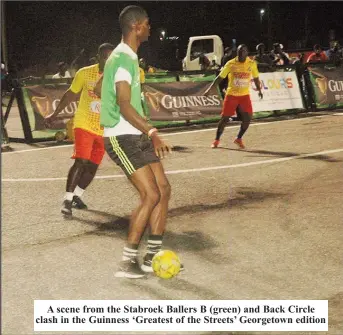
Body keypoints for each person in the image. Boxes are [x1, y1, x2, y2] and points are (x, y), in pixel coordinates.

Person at [100, 5, 179, 279]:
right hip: (121, 136)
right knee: (151, 194)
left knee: (164, 189)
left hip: (136, 133)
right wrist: (153, 131)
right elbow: (123, 105)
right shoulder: (122, 58)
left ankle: (152, 255)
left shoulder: (129, 57)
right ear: (136, 27)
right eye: (147, 24)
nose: (150, 28)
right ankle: (127, 262)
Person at [45, 43, 115, 216]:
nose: (108, 60)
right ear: (98, 57)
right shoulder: (84, 73)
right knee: (81, 161)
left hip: (103, 128)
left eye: (111, 57)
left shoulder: (116, 76)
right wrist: (54, 114)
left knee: (92, 166)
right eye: (105, 57)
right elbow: (70, 93)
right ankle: (67, 200)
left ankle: (77, 196)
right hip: (84, 123)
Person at [204, 44, 263, 149]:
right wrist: (209, 89)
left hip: (244, 95)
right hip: (232, 95)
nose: (241, 53)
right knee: (225, 118)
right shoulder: (230, 64)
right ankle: (216, 140)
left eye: (243, 51)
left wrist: (259, 90)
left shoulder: (252, 63)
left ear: (247, 53)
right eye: (239, 51)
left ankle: (238, 138)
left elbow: (256, 78)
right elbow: (219, 78)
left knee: (248, 118)